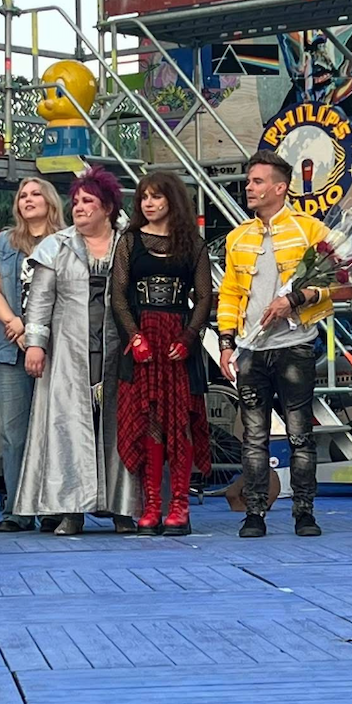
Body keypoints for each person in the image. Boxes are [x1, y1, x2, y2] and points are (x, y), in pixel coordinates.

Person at [14, 167, 140, 535]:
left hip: (118, 352)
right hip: (68, 353)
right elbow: (40, 300)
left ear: (108, 207)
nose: (80, 208)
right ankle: (70, 509)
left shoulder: (128, 245)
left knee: (120, 427)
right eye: (76, 202)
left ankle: (123, 509)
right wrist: (35, 345)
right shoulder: (56, 245)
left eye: (88, 201)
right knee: (68, 429)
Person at [217, 150, 332, 538]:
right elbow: (230, 293)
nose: (249, 187)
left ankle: (304, 512)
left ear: (280, 188)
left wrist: (294, 300)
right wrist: (226, 343)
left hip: (296, 344)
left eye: (258, 181)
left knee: (300, 433)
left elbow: (335, 283)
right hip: (251, 348)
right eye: (249, 181)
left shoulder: (310, 230)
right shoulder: (238, 236)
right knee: (253, 436)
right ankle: (254, 512)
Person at [112, 172, 212, 536]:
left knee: (180, 421)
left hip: (177, 341)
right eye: (143, 197)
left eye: (156, 197)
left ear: (173, 200)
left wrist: (188, 337)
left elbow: (205, 297)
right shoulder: (129, 241)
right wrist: (134, 337)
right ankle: (152, 505)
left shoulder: (193, 244)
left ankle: (180, 505)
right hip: (143, 339)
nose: (148, 203)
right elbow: (118, 295)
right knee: (149, 419)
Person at [0, 179, 64, 532]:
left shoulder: (67, 240)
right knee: (14, 434)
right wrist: (14, 323)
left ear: (50, 201)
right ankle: (17, 510)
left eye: (35, 194)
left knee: (52, 430)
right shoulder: (3, 242)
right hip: (10, 348)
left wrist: (36, 332)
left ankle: (52, 508)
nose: (28, 200)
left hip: (56, 349)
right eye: (23, 196)